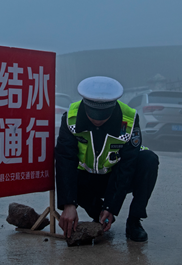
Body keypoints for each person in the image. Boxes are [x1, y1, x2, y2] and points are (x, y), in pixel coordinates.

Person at [55, 76, 160, 242]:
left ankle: (134, 221)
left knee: (148, 160)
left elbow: (127, 165)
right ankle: (98, 214)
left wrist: (111, 206)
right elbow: (65, 161)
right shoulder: (71, 118)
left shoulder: (129, 119)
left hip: (114, 175)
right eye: (93, 116)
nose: (97, 121)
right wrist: (69, 204)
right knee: (62, 166)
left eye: (103, 117)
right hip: (86, 181)